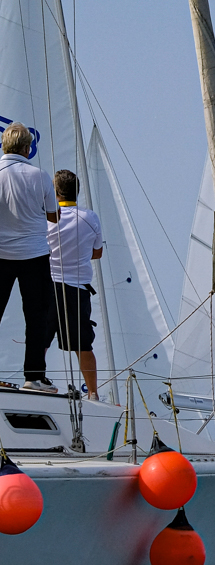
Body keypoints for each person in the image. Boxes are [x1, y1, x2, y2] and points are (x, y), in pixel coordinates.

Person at [0, 123, 61, 391]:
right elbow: (54, 216)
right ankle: (33, 378)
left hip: (1, 254)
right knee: (36, 317)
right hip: (34, 255)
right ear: (27, 148)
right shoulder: (39, 175)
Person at [45, 170, 103, 398]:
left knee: (41, 337)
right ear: (76, 191)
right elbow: (97, 253)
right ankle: (93, 393)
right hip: (77, 290)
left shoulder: (45, 218)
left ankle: (35, 380)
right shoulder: (90, 218)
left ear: (55, 192)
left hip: (49, 286)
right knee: (83, 344)